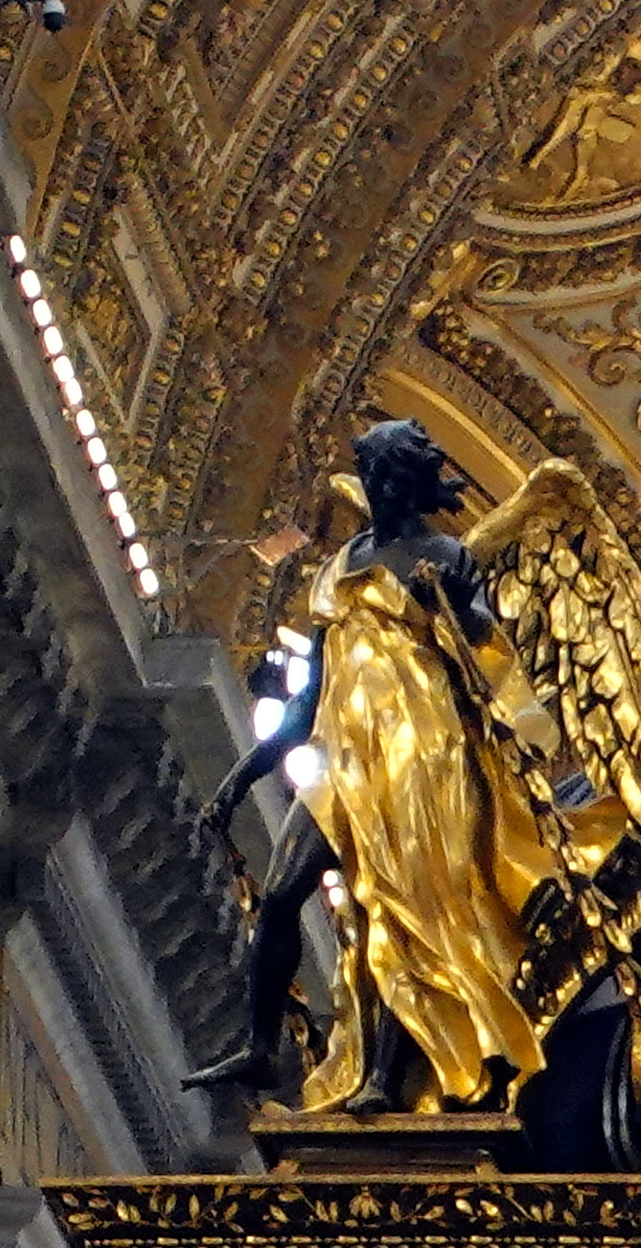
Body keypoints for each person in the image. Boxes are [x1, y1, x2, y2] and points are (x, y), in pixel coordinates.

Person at [189, 419, 565, 1111]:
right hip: (343, 757)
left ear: (405, 482)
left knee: (396, 908)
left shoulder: (447, 555)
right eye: (368, 474)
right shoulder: (344, 563)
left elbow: (483, 636)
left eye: (383, 474)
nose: (375, 485)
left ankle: (383, 1081)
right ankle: (260, 1045)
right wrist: (240, 780)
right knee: (278, 897)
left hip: (419, 755)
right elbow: (310, 701)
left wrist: (443, 602)